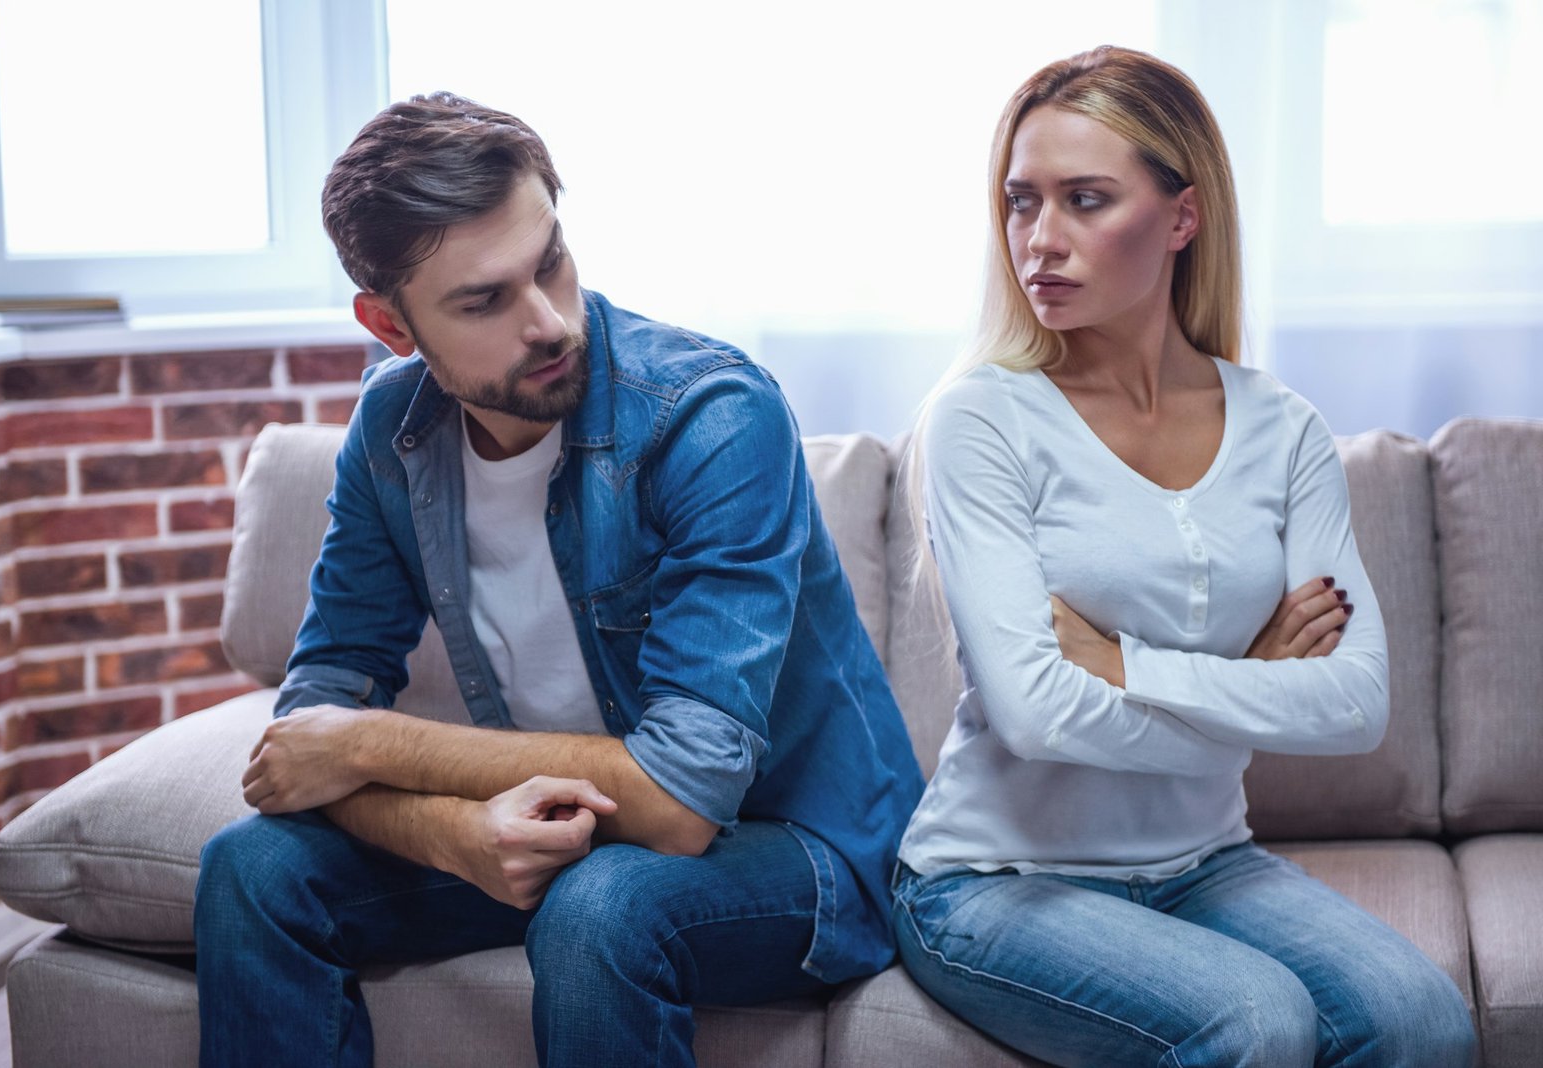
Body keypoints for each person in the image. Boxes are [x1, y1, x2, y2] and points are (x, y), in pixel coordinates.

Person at [192, 91, 924, 1068]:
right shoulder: (393, 435)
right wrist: (453, 836)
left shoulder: (711, 415)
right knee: (251, 869)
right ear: (390, 324)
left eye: (550, 263)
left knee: (600, 904)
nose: (547, 322)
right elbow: (305, 734)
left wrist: (371, 743)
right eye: (483, 301)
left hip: (798, 847)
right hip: (566, 834)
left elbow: (680, 801)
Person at [892, 46, 1475, 1068]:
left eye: (1084, 200)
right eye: (1021, 202)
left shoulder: (1282, 429)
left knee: (1424, 1019)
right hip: (994, 881)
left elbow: (1354, 706)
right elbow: (1033, 718)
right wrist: (1253, 686)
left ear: (1181, 217)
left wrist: (1121, 665)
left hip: (1205, 863)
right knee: (1254, 1018)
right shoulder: (980, 418)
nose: (1040, 239)